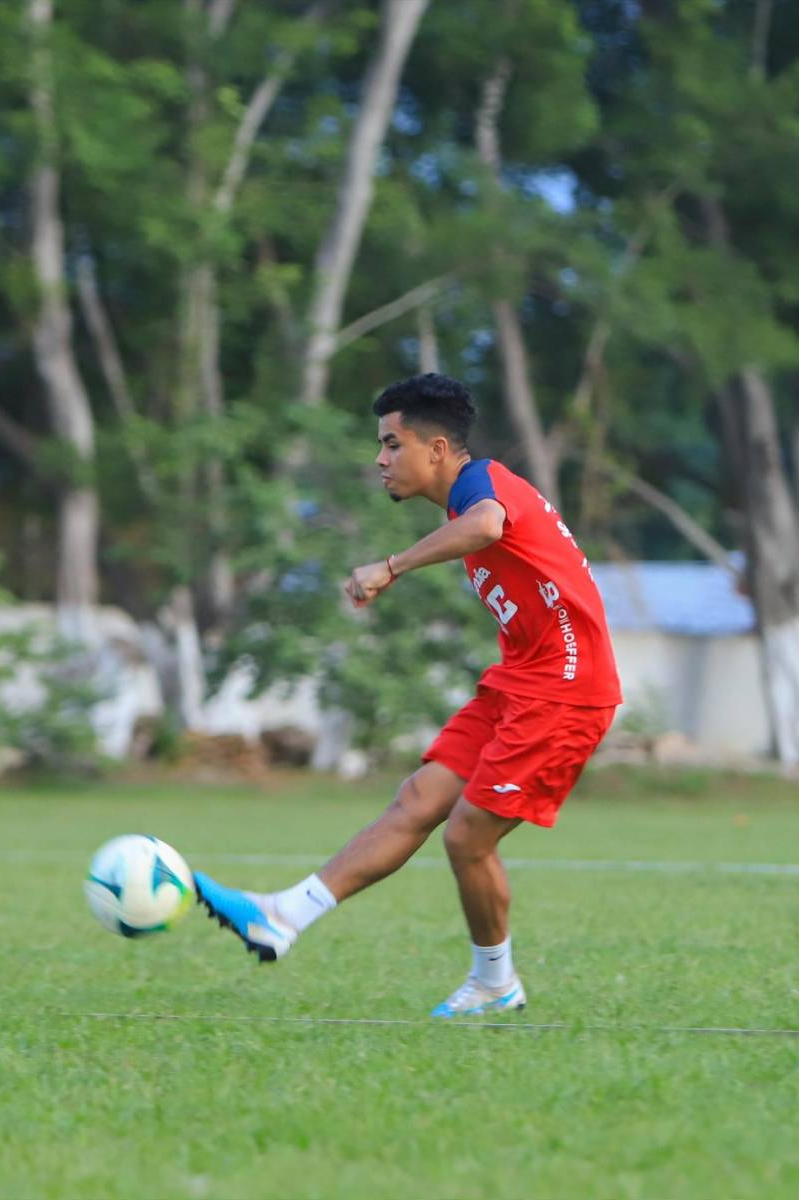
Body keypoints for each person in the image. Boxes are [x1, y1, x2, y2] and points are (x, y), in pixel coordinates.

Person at [193, 373, 622, 1017]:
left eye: (393, 444)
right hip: (520, 680)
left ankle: (495, 983)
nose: (381, 459)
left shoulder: (482, 486)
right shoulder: (466, 497)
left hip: (565, 690)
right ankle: (283, 915)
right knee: (419, 798)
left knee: (466, 837)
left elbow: (486, 525)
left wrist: (390, 566)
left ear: (438, 449)